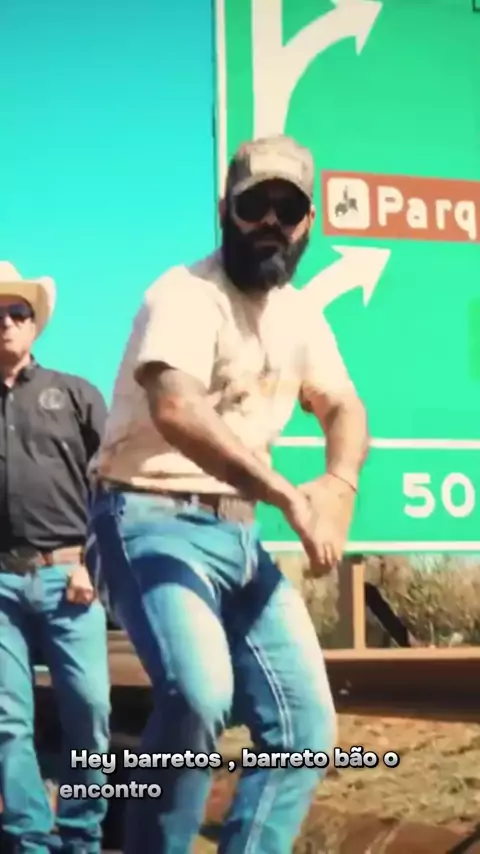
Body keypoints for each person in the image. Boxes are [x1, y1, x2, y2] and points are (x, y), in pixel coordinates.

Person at [88, 134, 369, 854]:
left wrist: (339, 482)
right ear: (226, 211)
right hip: (146, 516)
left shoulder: (301, 316)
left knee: (307, 728)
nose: (270, 222)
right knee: (198, 692)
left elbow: (344, 405)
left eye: (288, 209)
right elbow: (177, 409)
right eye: (254, 206)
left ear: (308, 223)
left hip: (240, 536)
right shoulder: (183, 294)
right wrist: (287, 494)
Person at [0, 262, 111, 854]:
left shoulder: (74, 394)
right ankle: (29, 840)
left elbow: (114, 482)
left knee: (89, 709)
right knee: (6, 721)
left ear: (33, 323)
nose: (6, 322)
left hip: (70, 577)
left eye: (16, 312)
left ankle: (82, 834)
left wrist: (94, 564)